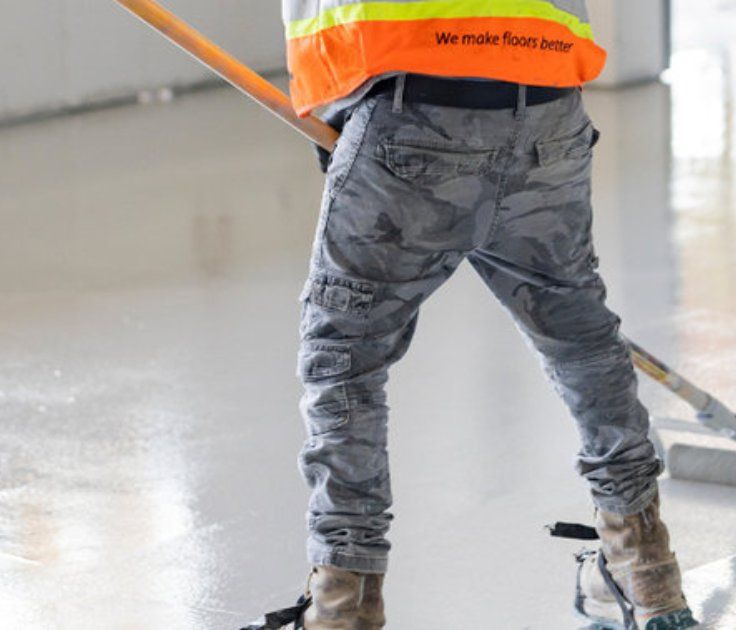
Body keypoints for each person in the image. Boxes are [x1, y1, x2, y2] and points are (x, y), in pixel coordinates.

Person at [259, 1, 699, 629]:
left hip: (411, 108)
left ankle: (343, 605)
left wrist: (344, 120)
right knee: (580, 336)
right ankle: (645, 569)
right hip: (548, 105)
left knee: (345, 356)